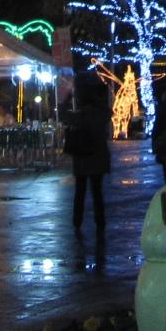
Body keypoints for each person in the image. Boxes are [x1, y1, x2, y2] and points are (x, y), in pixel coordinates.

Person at [66, 83, 112, 232]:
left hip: (81, 158)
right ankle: (100, 220)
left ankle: (77, 220)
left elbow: (63, 114)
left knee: (80, 191)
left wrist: (67, 98)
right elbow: (109, 112)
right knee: (97, 192)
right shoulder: (100, 115)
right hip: (98, 158)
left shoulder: (79, 116)